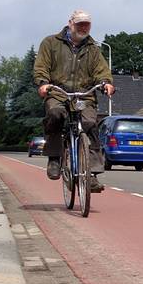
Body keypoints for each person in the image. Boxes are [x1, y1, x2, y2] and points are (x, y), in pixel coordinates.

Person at [34, 10, 115, 191]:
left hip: (84, 94)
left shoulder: (93, 49)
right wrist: (43, 83)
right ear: (70, 23)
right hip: (58, 92)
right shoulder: (51, 43)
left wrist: (106, 83)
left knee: (90, 123)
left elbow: (101, 70)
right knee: (55, 114)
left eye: (87, 24)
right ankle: (55, 158)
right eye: (80, 24)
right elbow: (41, 67)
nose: (83, 27)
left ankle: (91, 174)